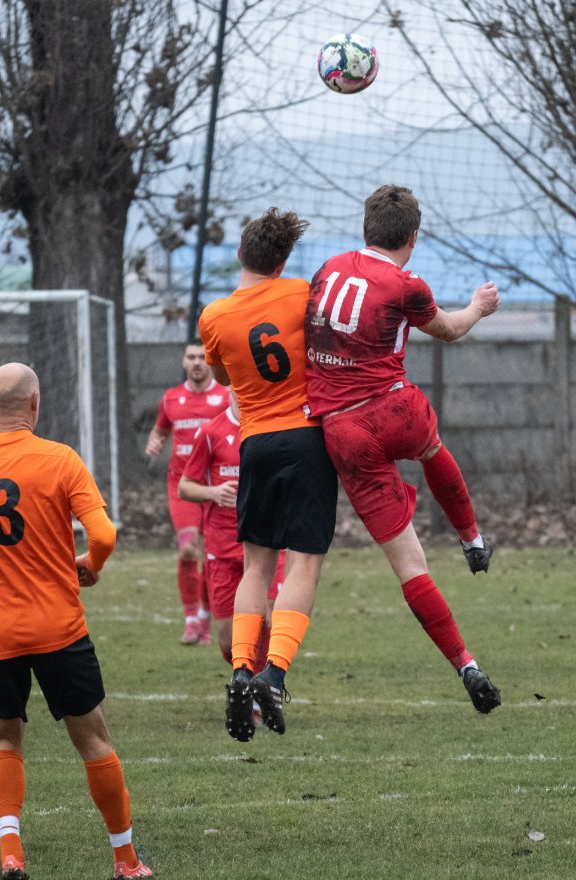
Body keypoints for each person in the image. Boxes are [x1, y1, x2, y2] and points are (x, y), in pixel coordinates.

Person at [0, 363, 152, 880]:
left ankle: (11, 854)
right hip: (58, 628)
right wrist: (91, 565)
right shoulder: (59, 460)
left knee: (5, 740)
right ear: (36, 404)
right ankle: (126, 863)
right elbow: (103, 535)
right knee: (95, 742)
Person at [303, 184, 502, 714]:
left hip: (340, 431)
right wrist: (479, 307)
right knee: (432, 448)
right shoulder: (406, 283)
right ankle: (472, 538)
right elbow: (451, 330)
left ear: (365, 229)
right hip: (392, 408)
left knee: (410, 567)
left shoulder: (327, 268)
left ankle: (467, 664)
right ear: (412, 237)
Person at [197, 208, 339, 742]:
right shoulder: (302, 293)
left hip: (252, 443)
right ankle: (273, 674)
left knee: (255, 567)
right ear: (282, 261)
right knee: (302, 564)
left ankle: (238, 669)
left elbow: (221, 374)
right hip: (307, 440)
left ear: (240, 254)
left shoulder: (213, 316)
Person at [177, 397, 285, 672]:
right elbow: (185, 487)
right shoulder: (211, 432)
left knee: (266, 619)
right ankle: (250, 679)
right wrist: (213, 492)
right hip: (222, 548)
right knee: (228, 641)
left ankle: (259, 695)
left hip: (267, 545)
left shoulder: (272, 428)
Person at [144, 344, 230, 646]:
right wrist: (154, 442)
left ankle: (206, 618)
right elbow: (160, 431)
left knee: (212, 556)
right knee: (187, 549)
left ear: (210, 362)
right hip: (181, 487)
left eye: (202, 358)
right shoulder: (170, 399)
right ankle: (191, 619)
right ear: (183, 361)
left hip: (215, 488)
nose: (196, 363)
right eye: (191, 357)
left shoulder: (224, 398)